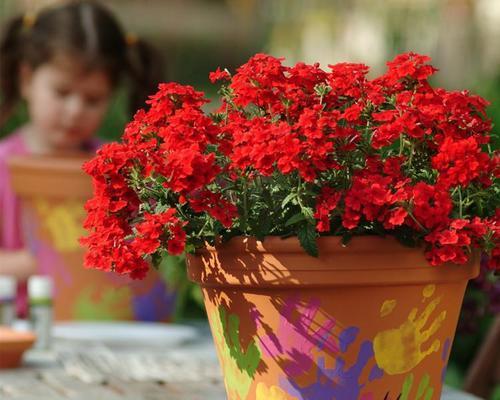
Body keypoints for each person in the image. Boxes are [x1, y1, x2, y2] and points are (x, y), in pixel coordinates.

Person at [0, 0, 163, 316]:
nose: (74, 111)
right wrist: (41, 261)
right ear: (26, 80)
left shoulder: (120, 170)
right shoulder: (4, 167)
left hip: (105, 331)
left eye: (92, 99)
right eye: (61, 93)